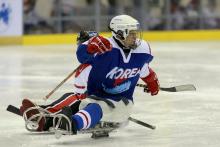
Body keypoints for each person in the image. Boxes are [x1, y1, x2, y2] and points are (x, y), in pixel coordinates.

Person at [52, 14, 160, 136]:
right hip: (95, 97)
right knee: (87, 104)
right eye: (131, 33)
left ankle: (72, 124)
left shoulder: (141, 50)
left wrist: (152, 81)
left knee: (98, 108)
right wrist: (89, 47)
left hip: (122, 101)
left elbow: (144, 69)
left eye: (135, 33)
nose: (135, 37)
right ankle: (48, 118)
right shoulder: (105, 48)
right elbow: (81, 55)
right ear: (120, 33)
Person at [19, 31, 98, 132]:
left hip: (90, 102)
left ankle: (45, 116)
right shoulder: (87, 64)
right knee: (70, 96)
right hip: (85, 99)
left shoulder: (96, 64)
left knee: (73, 98)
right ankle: (43, 110)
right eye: (79, 45)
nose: (79, 48)